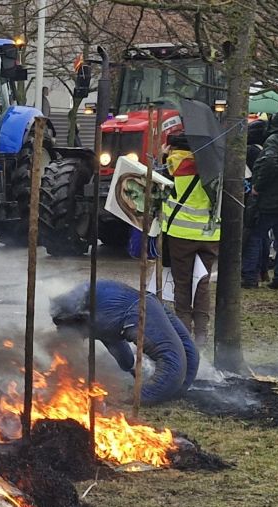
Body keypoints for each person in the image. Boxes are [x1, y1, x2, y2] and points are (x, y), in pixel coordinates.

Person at [51, 279, 199, 405]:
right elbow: (120, 351)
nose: (81, 338)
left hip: (137, 308)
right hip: (147, 301)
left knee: (174, 362)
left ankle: (144, 396)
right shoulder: (98, 321)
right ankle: (174, 392)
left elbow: (113, 341)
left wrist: (129, 397)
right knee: (190, 354)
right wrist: (130, 369)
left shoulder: (85, 309)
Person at [159, 133, 219, 345]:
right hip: (209, 235)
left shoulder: (172, 166)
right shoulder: (214, 167)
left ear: (174, 147)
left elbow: (156, 187)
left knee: (183, 285)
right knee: (202, 283)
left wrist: (163, 156)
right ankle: (201, 335)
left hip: (181, 235)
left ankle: (184, 335)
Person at [244, 111, 278, 290]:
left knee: (255, 236)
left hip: (270, 200)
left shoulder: (274, 140)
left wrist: (259, 186)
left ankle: (250, 277)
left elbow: (270, 162)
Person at [243, 119, 271, 284]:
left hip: (251, 197)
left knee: (252, 235)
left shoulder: (249, 151)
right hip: (266, 197)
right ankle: (263, 270)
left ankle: (250, 274)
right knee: (264, 235)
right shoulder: (267, 150)